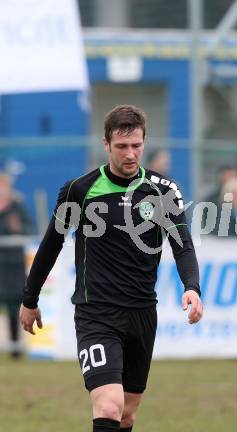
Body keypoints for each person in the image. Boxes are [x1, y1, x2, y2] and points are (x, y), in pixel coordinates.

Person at [19, 105, 203, 432]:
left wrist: (192, 286)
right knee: (108, 404)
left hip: (142, 313)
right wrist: (30, 299)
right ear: (106, 145)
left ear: (144, 143)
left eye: (136, 145)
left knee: (127, 414)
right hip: (96, 313)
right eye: (121, 146)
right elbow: (51, 244)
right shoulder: (80, 190)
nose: (130, 154)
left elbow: (182, 245)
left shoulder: (164, 191)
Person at [0, 173, 33, 358]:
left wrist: (17, 229)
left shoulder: (17, 208)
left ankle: (15, 349)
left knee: (14, 306)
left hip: (14, 265)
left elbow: (29, 230)